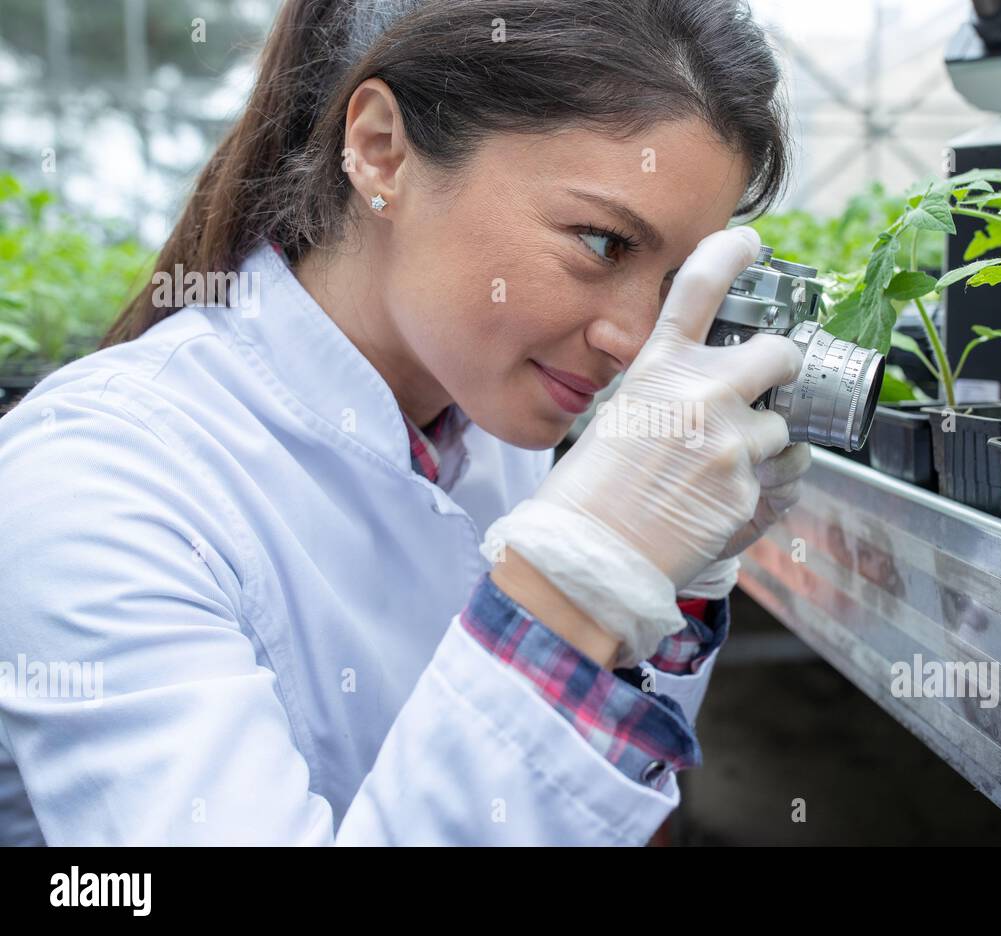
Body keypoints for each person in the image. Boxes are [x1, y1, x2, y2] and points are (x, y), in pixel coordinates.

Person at [0, 0, 812, 845]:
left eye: (676, 280)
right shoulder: (95, 480)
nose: (635, 341)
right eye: (603, 244)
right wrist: (573, 593)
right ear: (382, 150)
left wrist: (671, 586)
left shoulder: (489, 424)